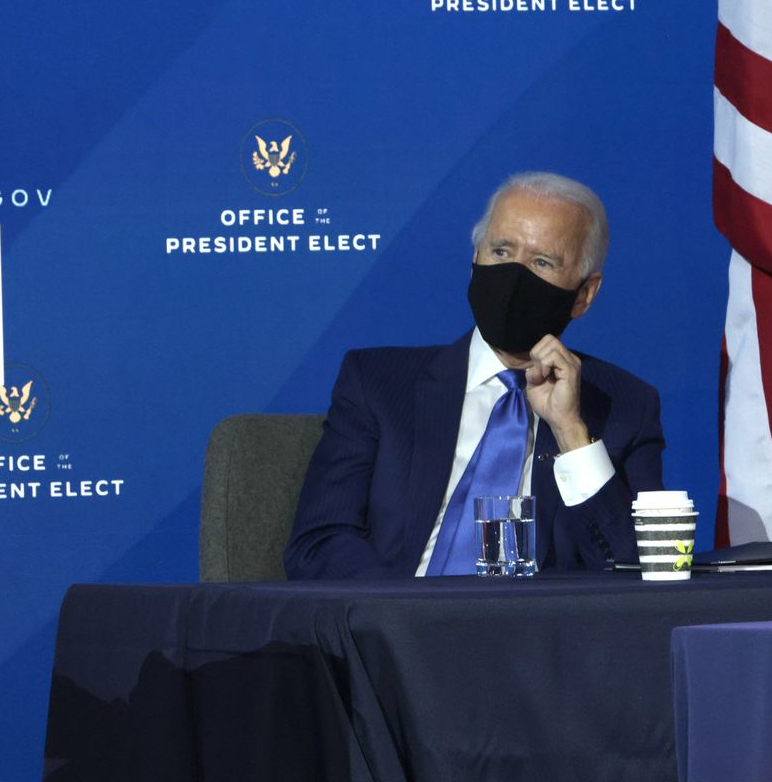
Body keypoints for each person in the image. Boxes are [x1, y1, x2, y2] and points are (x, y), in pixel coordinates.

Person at [284, 172, 663, 579]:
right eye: (501, 252)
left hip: (536, 619)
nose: (515, 278)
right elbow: (319, 543)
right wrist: (404, 609)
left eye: (542, 262)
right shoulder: (378, 384)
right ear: (474, 261)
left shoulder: (624, 407)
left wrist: (571, 433)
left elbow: (639, 570)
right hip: (397, 611)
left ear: (584, 295)